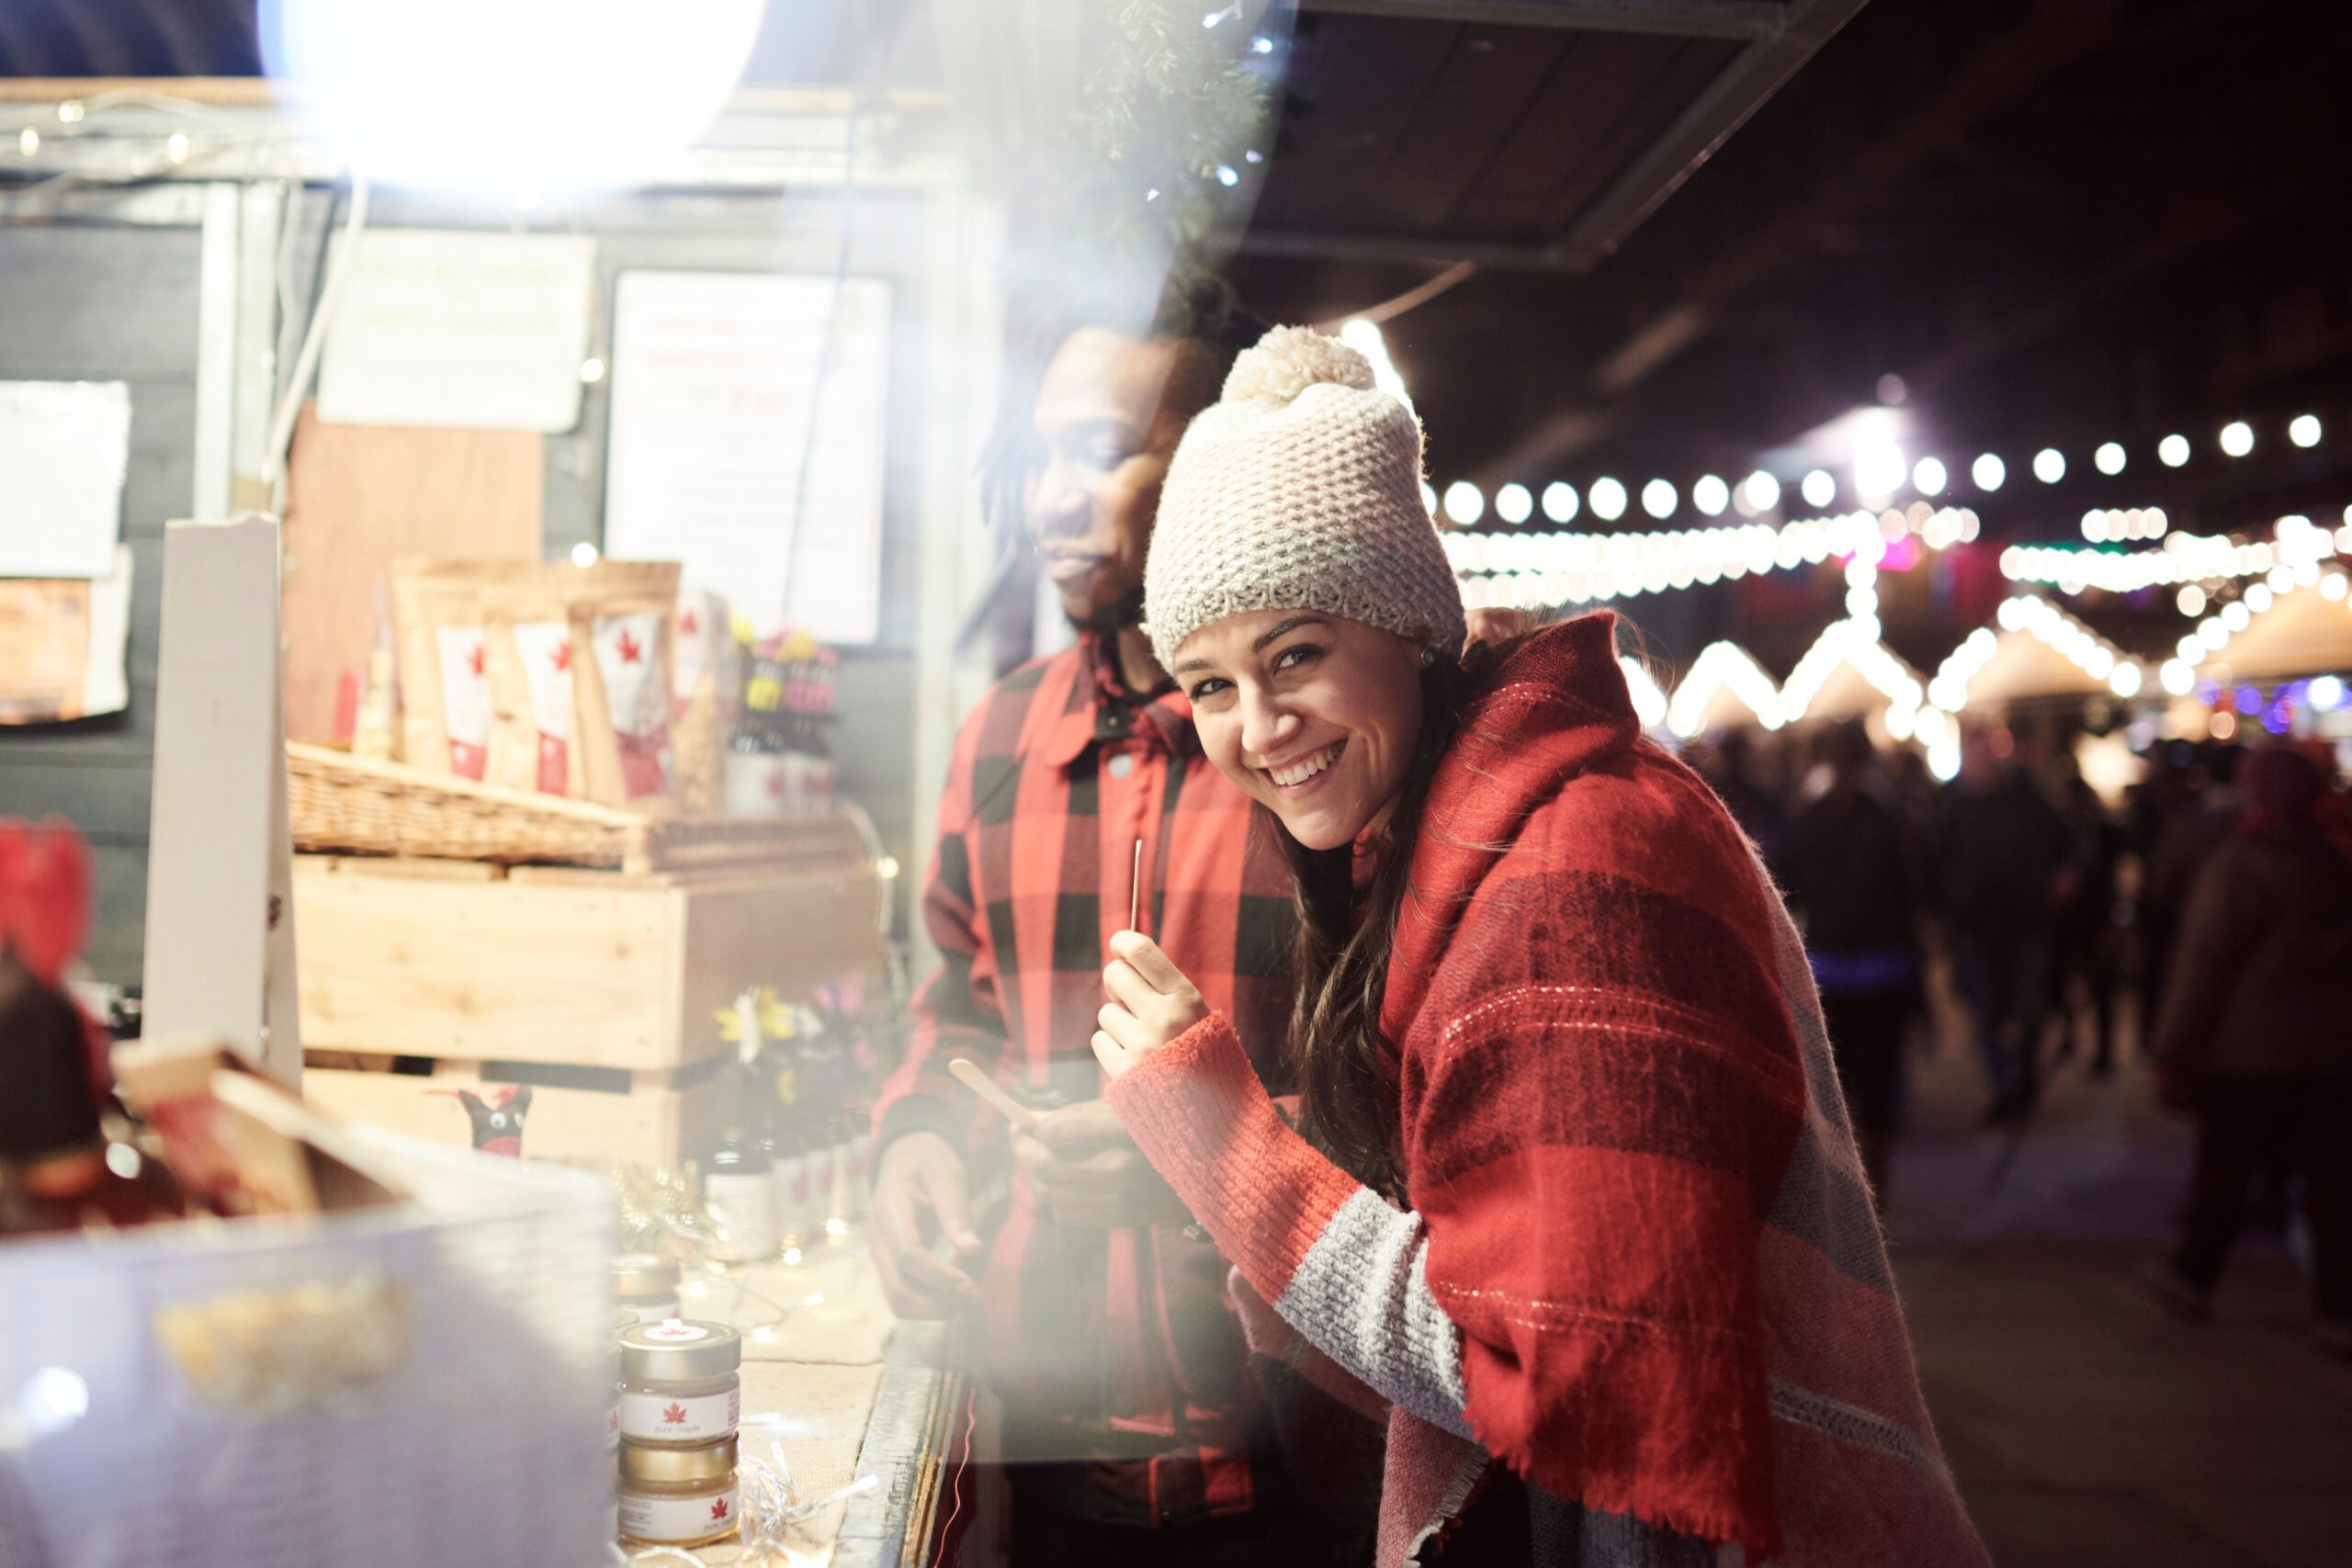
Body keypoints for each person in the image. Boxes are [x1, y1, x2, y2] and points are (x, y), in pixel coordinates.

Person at [1087, 327, 1987, 1565]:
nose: (1257, 725)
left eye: (1294, 652)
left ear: (1404, 623)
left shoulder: (1574, 870)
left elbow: (1568, 1376)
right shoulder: (1460, 837)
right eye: (1210, 681)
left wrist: (1228, 1146)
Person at [865, 275, 1310, 1560]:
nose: (1058, 495)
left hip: (1290, 1453)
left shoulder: (1304, 751)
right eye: (1044, 453)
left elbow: (1408, 1100)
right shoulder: (1000, 733)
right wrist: (916, 1136)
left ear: (1215, 466)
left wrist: (1204, 1165)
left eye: (1109, 455)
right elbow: (955, 1004)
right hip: (1043, 1441)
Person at [2143, 744, 2352, 1359]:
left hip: (2248, 1052)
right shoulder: (2337, 864)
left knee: (2224, 1173)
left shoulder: (2240, 864)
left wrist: (2172, 1047)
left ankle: (2192, 1279)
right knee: (2333, 1188)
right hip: (2331, 1055)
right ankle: (2339, 1308)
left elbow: (2202, 967)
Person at [1780, 721, 1926, 1202]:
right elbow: (1912, 897)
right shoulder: (1890, 817)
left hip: (1832, 968)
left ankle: (1845, 1188)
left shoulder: (1809, 818)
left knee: (1836, 1087)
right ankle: (1875, 1185)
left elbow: (1787, 885)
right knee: (1879, 1083)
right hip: (1883, 967)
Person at [1938, 728, 2075, 1122]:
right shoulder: (1954, 805)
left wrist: (2066, 875)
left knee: (2029, 1010)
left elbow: (2070, 841)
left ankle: (2023, 1080)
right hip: (1976, 928)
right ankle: (2004, 1089)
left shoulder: (2029, 799)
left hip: (2025, 923)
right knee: (1986, 1015)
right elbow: (1937, 860)